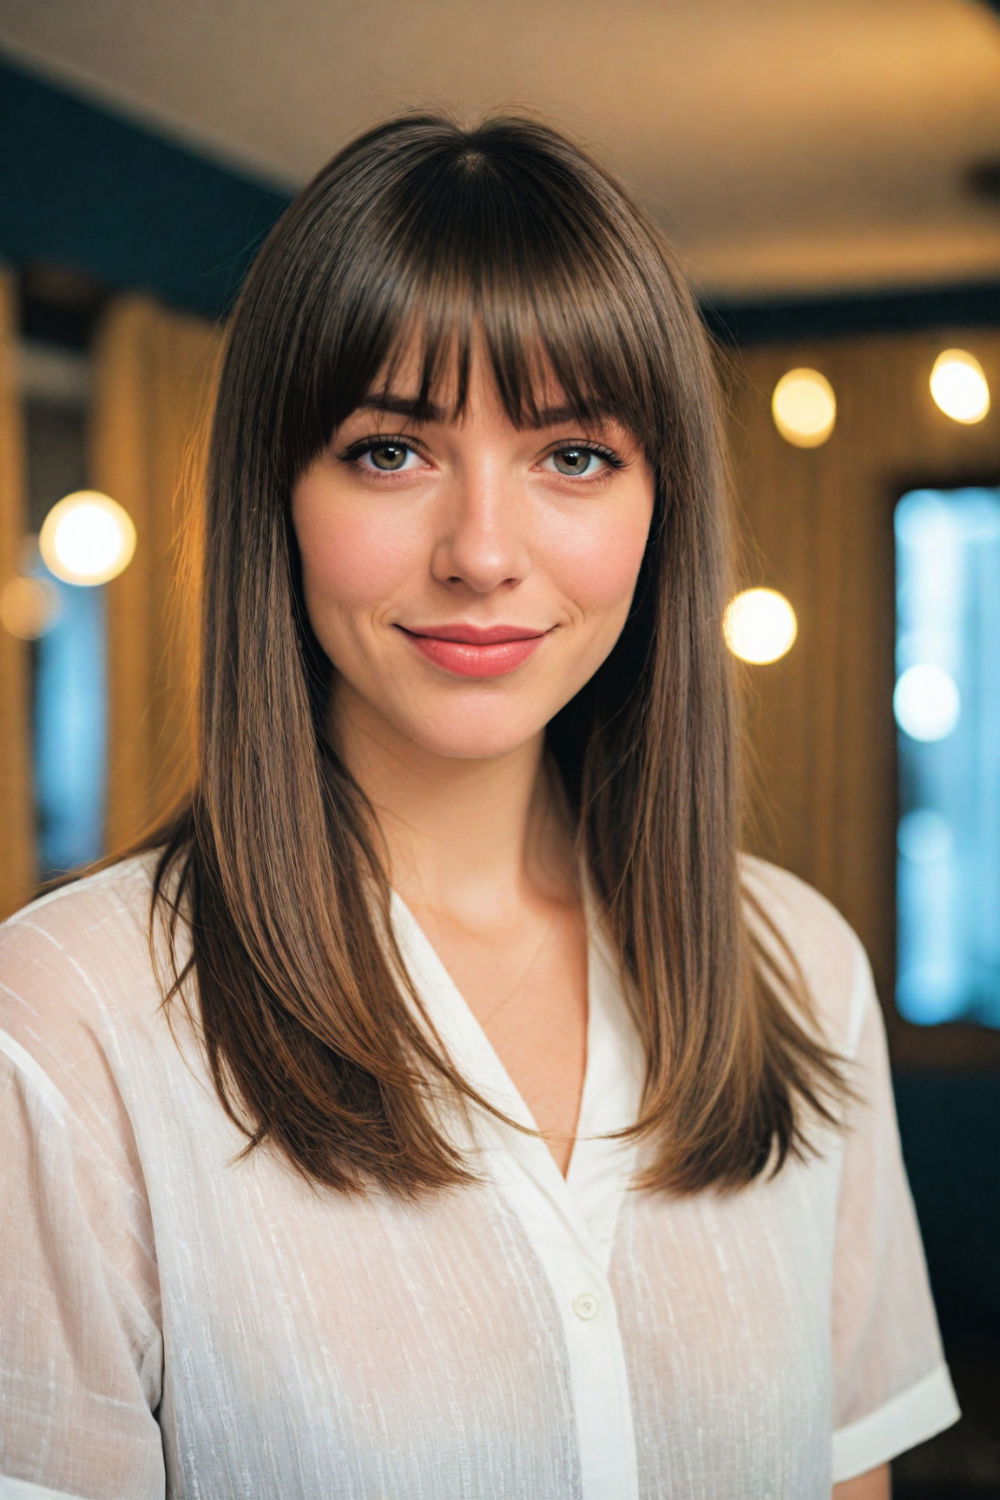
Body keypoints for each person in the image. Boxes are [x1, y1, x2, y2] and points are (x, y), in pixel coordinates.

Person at [0, 111, 960, 1500]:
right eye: (392, 449)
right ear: (278, 492)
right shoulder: (70, 1024)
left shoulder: (794, 969)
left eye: (574, 454)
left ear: (661, 506)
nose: (484, 554)